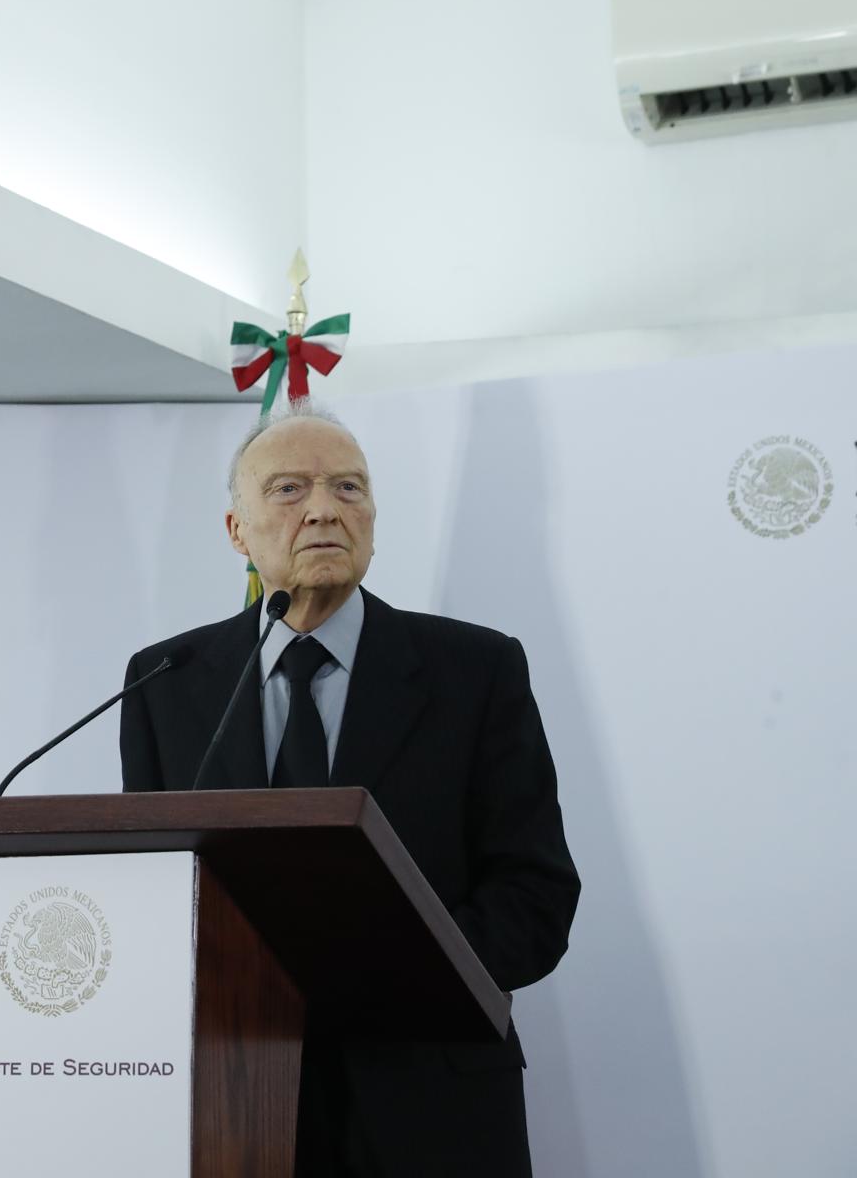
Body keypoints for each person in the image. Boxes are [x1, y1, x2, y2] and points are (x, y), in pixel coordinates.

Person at [119, 404, 579, 1178]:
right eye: (290, 489)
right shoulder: (168, 681)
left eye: (349, 488)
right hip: (236, 1101)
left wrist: (394, 972)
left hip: (431, 1098)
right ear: (238, 531)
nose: (325, 509)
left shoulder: (475, 670)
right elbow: (156, 886)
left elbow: (535, 893)